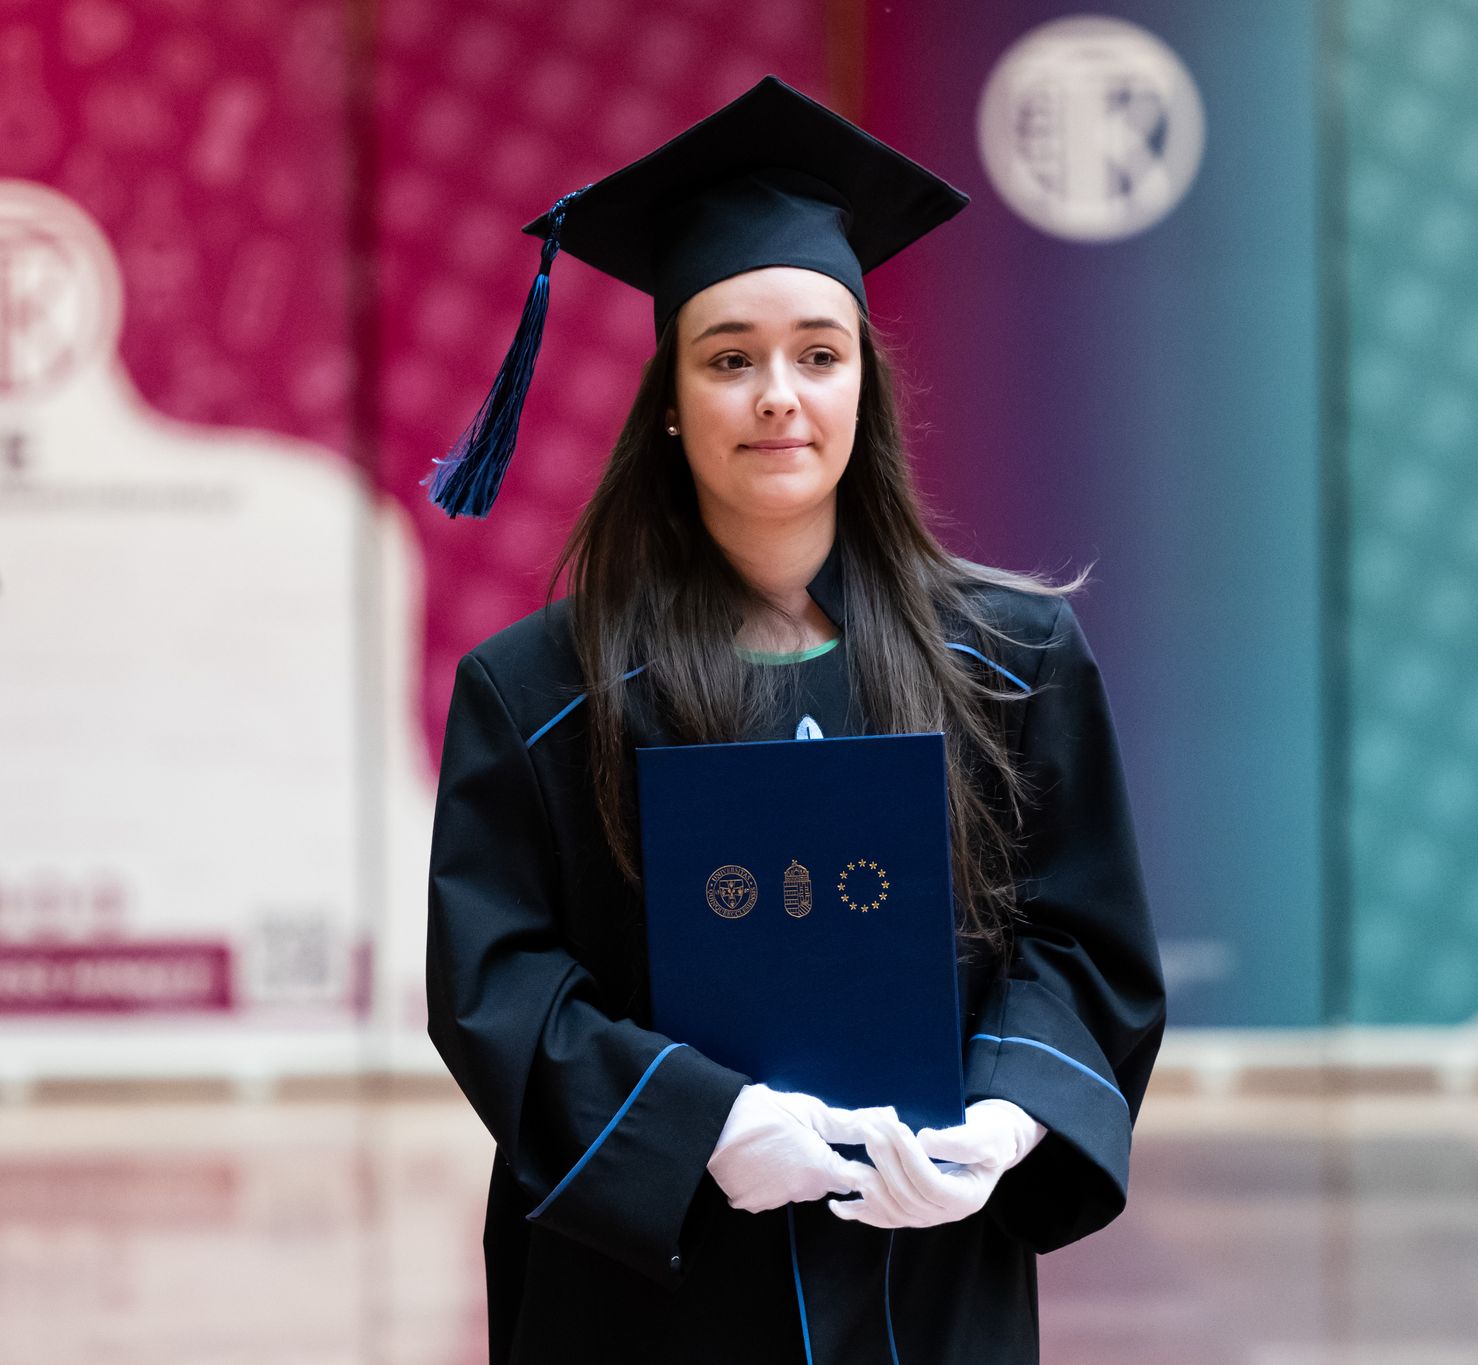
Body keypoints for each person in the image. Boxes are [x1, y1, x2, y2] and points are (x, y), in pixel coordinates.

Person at [423, 77, 1166, 1362]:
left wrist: (1004, 1118)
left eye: (819, 355)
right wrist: (697, 1123)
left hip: (924, 1258)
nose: (779, 393)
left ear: (863, 383)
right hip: (650, 1285)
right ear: (669, 399)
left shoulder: (1009, 659)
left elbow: (1080, 940)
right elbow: (499, 982)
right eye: (730, 359)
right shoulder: (541, 694)